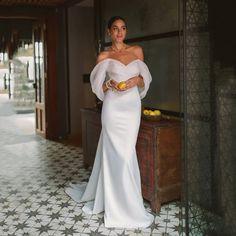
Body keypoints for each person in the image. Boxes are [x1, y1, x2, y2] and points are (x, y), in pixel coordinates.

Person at [65, 16, 154, 228]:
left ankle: (128, 201)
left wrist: (135, 80)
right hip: (113, 108)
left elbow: (145, 79)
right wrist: (109, 83)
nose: (120, 32)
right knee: (115, 153)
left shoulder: (137, 51)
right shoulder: (104, 55)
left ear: (126, 31)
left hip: (131, 107)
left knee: (126, 153)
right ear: (109, 32)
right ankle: (116, 203)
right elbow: (97, 87)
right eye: (115, 29)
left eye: (123, 28)